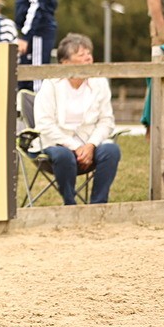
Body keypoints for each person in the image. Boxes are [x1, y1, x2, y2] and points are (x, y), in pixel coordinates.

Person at [33, 33, 120, 205]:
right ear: (65, 63)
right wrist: (75, 147)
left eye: (89, 53)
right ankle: (70, 204)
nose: (88, 57)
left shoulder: (100, 82)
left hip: (89, 144)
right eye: (81, 55)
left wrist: (91, 145)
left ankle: (98, 205)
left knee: (112, 151)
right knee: (63, 155)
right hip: (57, 145)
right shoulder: (50, 84)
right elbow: (45, 124)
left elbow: (106, 121)